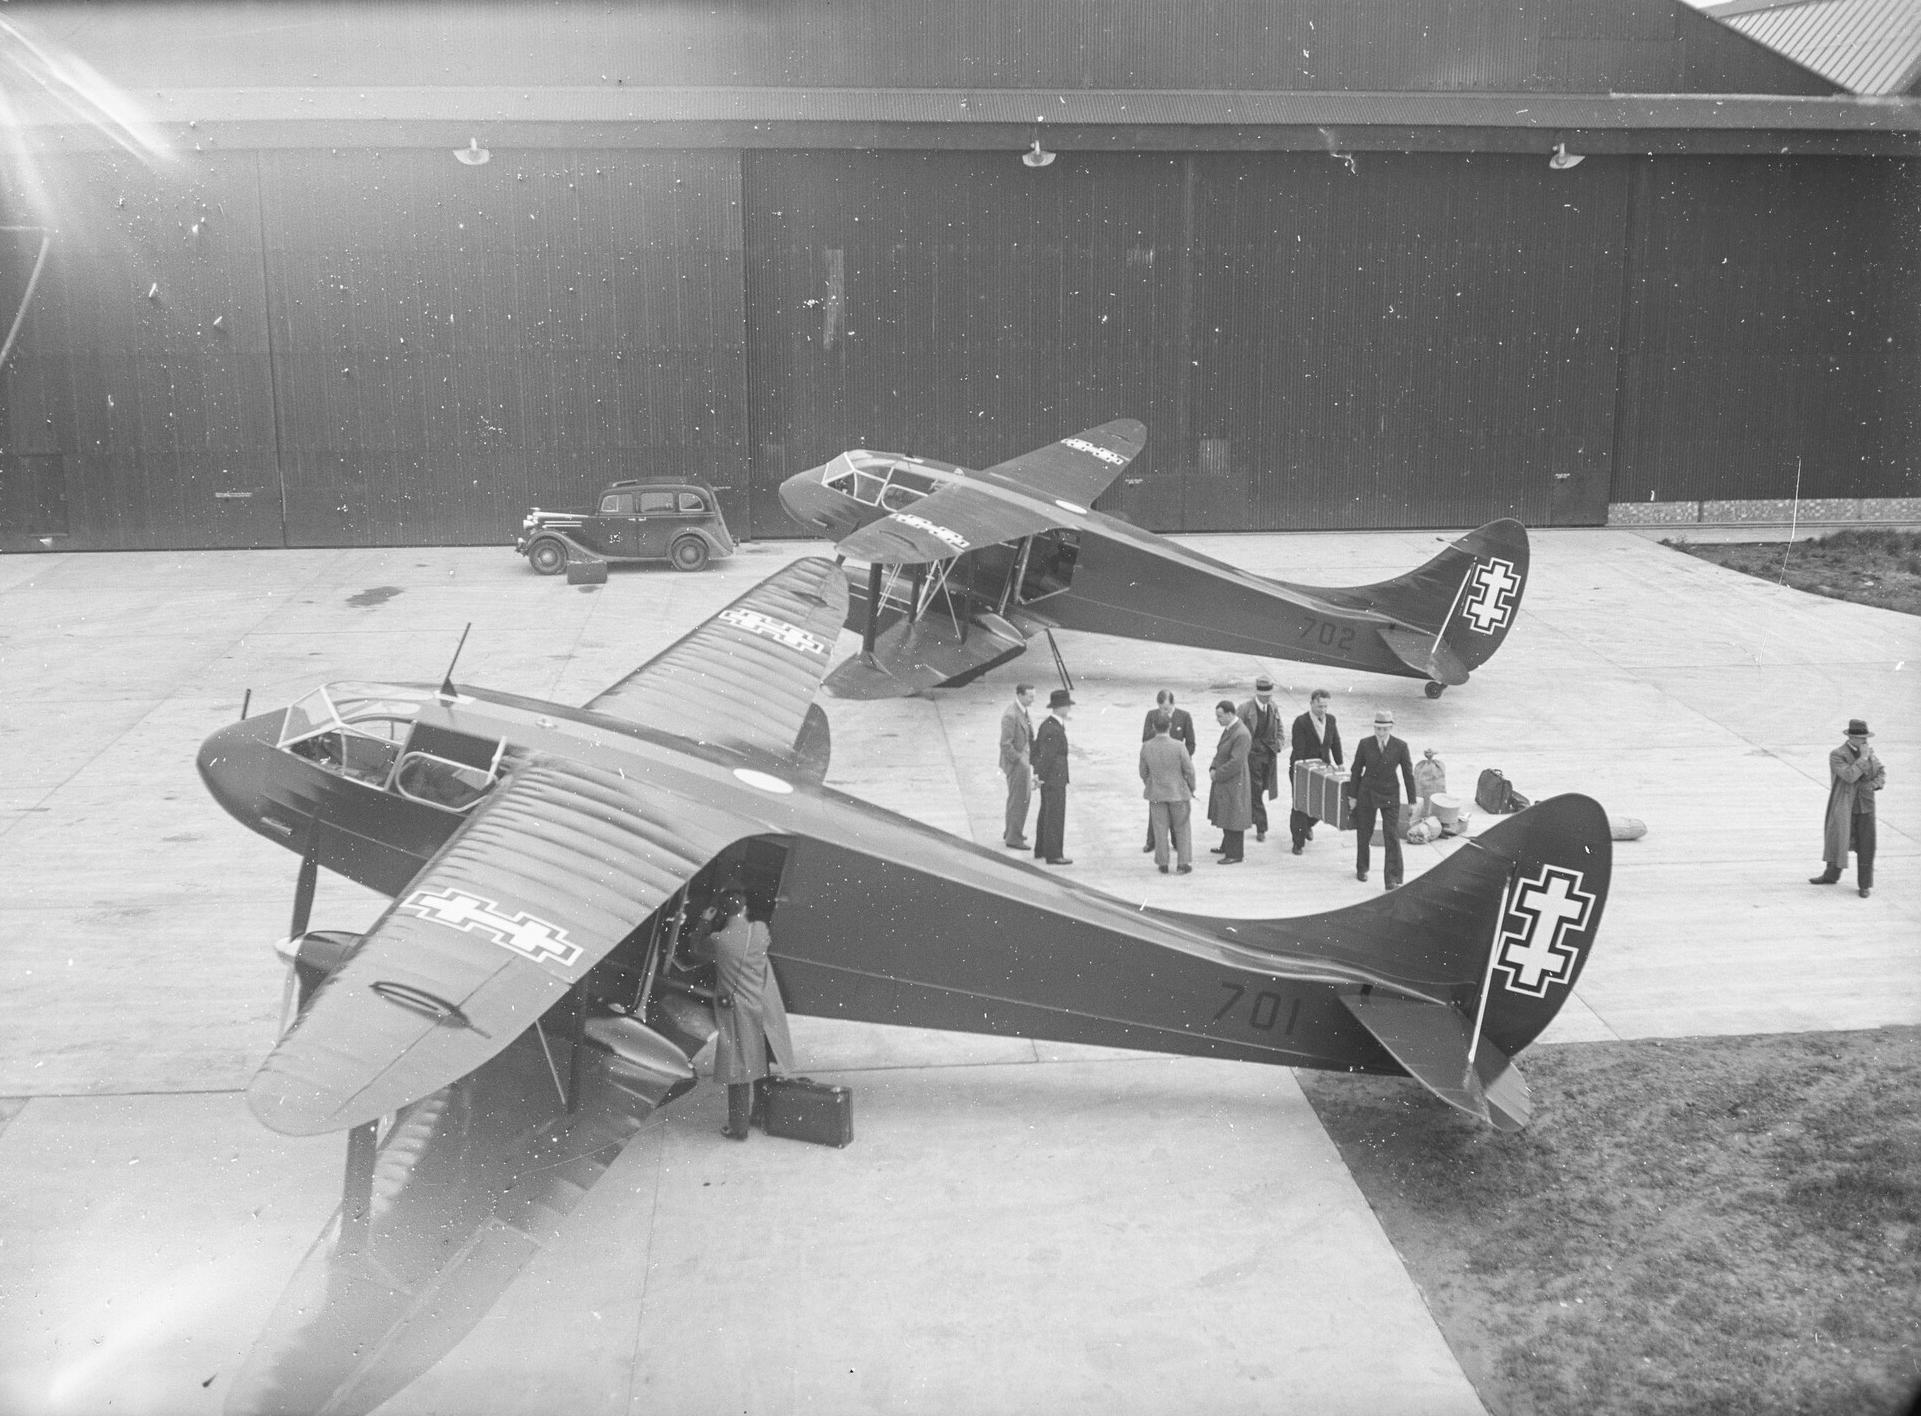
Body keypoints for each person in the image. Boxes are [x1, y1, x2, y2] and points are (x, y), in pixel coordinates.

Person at [698, 888, 795, 1141]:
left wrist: (705, 921)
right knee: (760, 1061)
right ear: (744, 909)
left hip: (736, 1011)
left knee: (739, 1067)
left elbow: (695, 947)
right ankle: (760, 1114)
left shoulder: (719, 940)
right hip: (761, 1006)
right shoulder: (760, 930)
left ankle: (738, 1127)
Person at [1811, 718, 1885, 898]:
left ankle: (1864, 885)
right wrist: (1863, 758)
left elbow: (1881, 772)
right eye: (1862, 738)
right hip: (1844, 805)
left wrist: (1874, 785)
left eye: (1866, 738)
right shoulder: (1838, 754)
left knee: (1867, 844)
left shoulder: (1868, 753)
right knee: (1838, 839)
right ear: (1852, 737)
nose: (1866, 741)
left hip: (1865, 805)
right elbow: (1849, 775)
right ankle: (1831, 875)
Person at [1349, 709, 1416, 888]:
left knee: (1391, 835)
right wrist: (1352, 796)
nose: (1380, 733)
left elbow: (1408, 774)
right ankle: (1362, 868)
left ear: (1391, 728)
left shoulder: (1400, 746)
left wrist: (1412, 801)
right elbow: (1356, 770)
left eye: (1384, 729)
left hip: (1389, 794)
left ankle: (1393, 878)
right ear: (1374, 727)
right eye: (1378, 729)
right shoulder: (1365, 744)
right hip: (1367, 793)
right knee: (1364, 832)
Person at [1139, 709, 1197, 874]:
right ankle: (1183, 863)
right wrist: (1191, 787)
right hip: (1178, 794)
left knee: (1159, 828)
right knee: (1182, 827)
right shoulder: (1179, 746)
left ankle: (1162, 863)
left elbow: (1143, 772)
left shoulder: (1146, 747)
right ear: (1170, 726)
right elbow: (1189, 770)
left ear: (1154, 727)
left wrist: (1150, 783)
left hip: (1156, 794)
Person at [1287, 688, 1344, 855]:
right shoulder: (1301, 722)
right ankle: (1298, 842)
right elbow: (1299, 749)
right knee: (1300, 804)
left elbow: (1335, 742)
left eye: (1326, 706)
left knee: (1321, 803)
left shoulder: (1331, 720)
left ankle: (1307, 826)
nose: (1323, 710)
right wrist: (1306, 768)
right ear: (1311, 703)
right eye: (1320, 706)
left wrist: (1339, 763)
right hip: (1302, 768)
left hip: (1324, 768)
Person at [1237, 676, 1285, 842]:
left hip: (1269, 757)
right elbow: (1237, 734)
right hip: (1251, 758)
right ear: (1258, 694)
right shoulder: (1244, 709)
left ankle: (1253, 816)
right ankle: (1261, 827)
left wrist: (1279, 743)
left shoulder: (1272, 707)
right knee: (1256, 791)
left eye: (1270, 695)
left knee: (1262, 788)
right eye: (1266, 695)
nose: (1269, 698)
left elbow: (1280, 728)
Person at [1207, 699, 1253, 864]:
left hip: (1234, 781)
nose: (1217, 719)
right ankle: (1227, 846)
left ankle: (1235, 853)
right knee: (1227, 813)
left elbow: (1236, 762)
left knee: (1233, 815)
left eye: (1220, 716)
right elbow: (1221, 752)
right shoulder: (1231, 729)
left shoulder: (1241, 733)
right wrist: (1213, 767)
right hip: (1227, 780)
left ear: (1229, 714)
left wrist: (1217, 774)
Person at [1031, 688, 1074, 865]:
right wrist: (1039, 775)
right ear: (1060, 707)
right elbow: (1047, 756)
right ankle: (1054, 854)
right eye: (1067, 706)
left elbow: (1035, 751)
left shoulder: (1047, 725)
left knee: (1046, 813)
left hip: (1050, 777)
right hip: (1054, 778)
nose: (1069, 709)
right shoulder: (1054, 729)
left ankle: (1041, 848)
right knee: (1055, 815)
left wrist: (1038, 775)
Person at [1000, 682, 1037, 849]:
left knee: (1017, 799)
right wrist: (1021, 762)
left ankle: (1012, 831)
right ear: (1020, 695)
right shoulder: (1011, 715)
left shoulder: (1022, 711)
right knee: (1019, 800)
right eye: (1030, 696)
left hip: (1022, 761)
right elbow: (1005, 744)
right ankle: (1014, 838)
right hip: (1016, 764)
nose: (1032, 699)